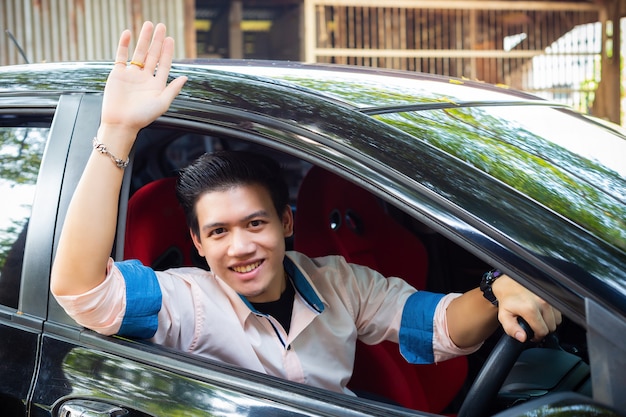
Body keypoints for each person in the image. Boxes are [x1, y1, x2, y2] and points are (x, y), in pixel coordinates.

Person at [50, 21, 562, 396]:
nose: (242, 246)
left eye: (255, 223)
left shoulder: (340, 283)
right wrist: (117, 130)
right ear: (199, 243)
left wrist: (497, 289)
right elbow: (80, 290)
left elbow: (437, 326)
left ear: (286, 221)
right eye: (219, 232)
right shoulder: (187, 302)